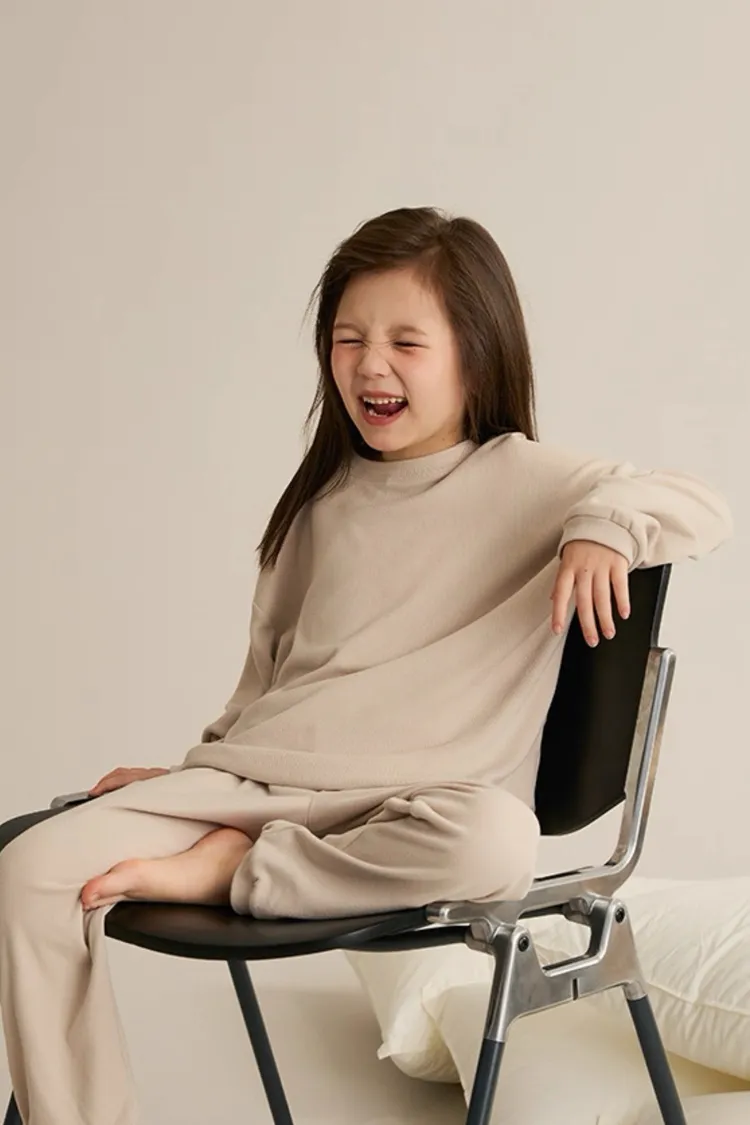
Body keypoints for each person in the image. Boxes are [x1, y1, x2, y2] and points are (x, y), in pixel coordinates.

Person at [0, 206, 733, 1124]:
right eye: (348, 339)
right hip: (254, 785)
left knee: (498, 842)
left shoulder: (529, 480)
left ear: (476, 355)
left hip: (413, 807)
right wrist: (193, 772)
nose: (369, 365)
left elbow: (701, 503)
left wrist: (604, 528)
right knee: (30, 865)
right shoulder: (318, 505)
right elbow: (268, 678)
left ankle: (238, 871)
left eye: (405, 343)